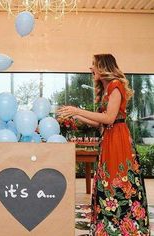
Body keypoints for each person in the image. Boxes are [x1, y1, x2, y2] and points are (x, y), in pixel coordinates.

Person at [57, 54, 150, 235]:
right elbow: (100, 122)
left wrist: (77, 109)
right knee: (107, 181)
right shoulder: (108, 89)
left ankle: (123, 229)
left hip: (118, 141)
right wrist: (74, 115)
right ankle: (108, 228)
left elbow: (109, 118)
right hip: (109, 138)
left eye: (93, 65)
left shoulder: (116, 85)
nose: (91, 68)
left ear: (103, 66)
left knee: (116, 180)